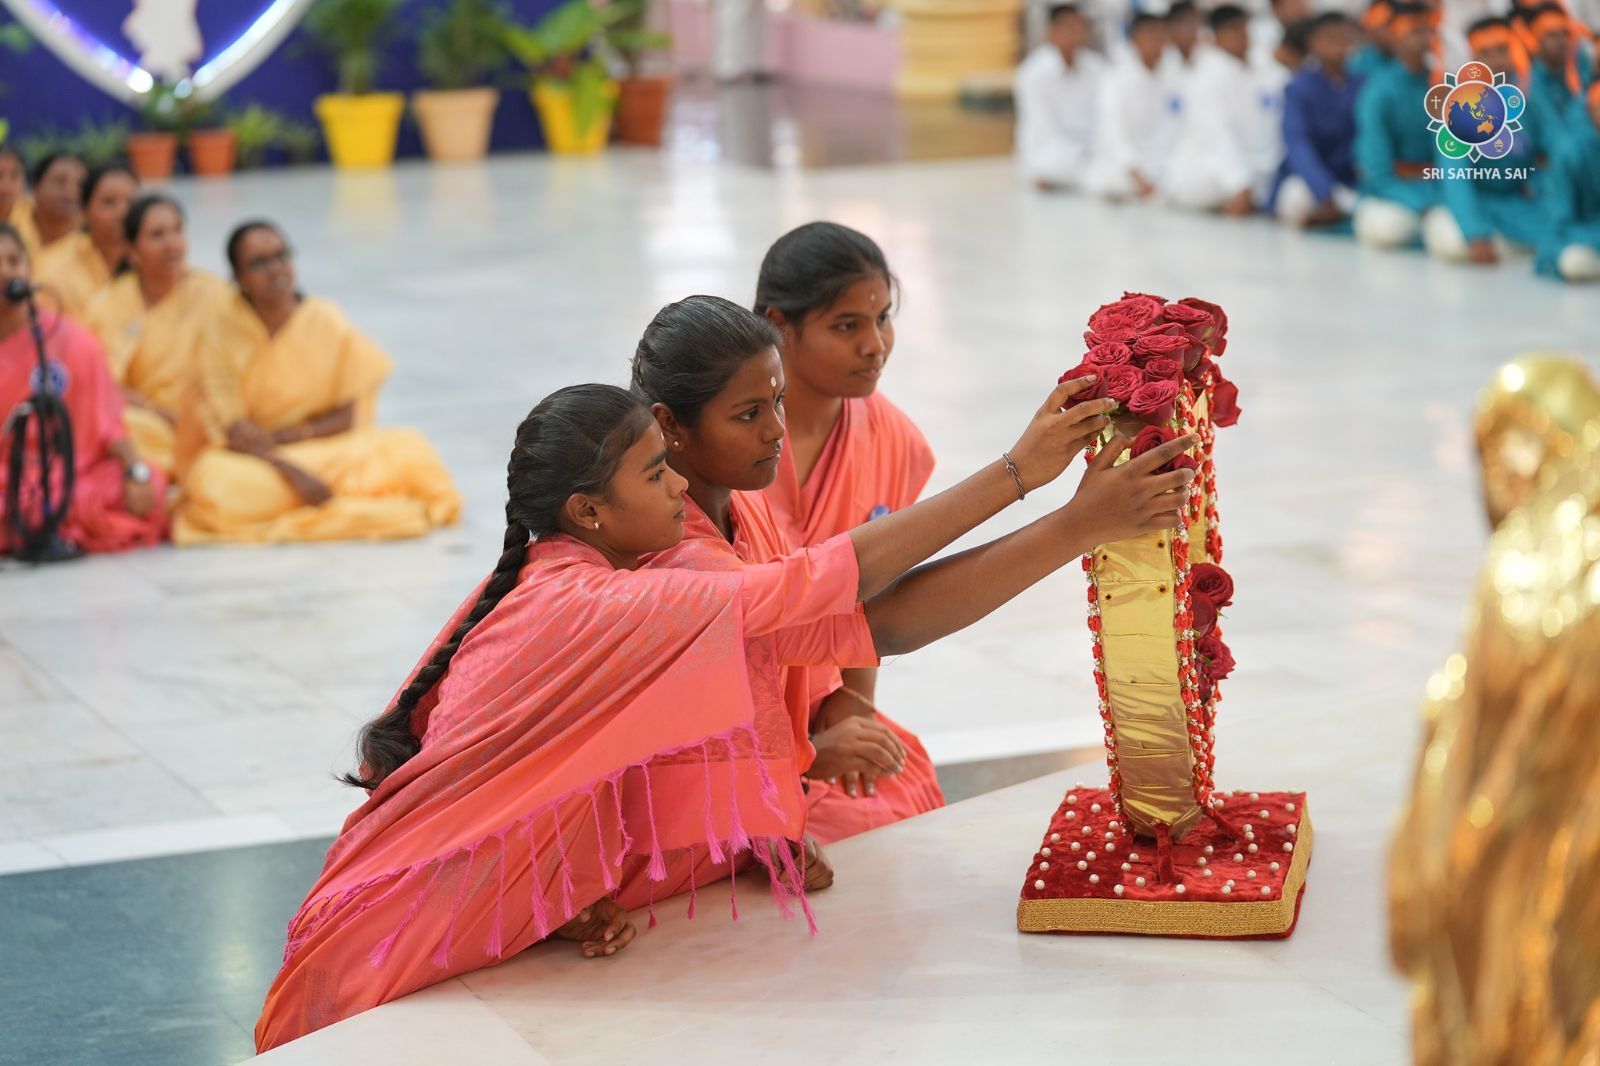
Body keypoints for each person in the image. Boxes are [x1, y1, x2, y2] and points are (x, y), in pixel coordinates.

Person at [255, 375, 1195, 1050]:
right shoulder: (605, 600)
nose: (677, 487)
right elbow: (844, 589)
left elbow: (868, 622)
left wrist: (547, 897)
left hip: (450, 931)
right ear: (588, 511)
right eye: (654, 473)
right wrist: (1027, 480)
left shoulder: (582, 574)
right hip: (384, 960)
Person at [634, 295, 1198, 849]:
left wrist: (1070, 517)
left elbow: (858, 619)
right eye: (749, 414)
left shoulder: (741, 501)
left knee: (905, 780)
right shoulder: (669, 554)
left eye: (778, 402)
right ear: (669, 424)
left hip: (790, 753)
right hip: (691, 829)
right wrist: (1030, 482)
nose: (776, 429)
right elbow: (856, 597)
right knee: (874, 832)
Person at [749, 224, 943, 841]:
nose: (874, 346)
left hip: (819, 703)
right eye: (846, 326)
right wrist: (798, 753)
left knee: (897, 792)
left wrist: (852, 709)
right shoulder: (727, 441)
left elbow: (871, 599)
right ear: (780, 326)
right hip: (724, 722)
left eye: (882, 319)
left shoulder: (895, 441)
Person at [172, 221, 461, 544]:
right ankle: (346, 499)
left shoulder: (324, 319)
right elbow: (234, 433)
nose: (276, 269)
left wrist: (287, 440)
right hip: (255, 462)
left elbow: (348, 417)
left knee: (408, 446)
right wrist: (294, 473)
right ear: (238, 278)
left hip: (322, 452)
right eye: (259, 263)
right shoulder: (220, 330)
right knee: (212, 481)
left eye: (281, 256)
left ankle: (311, 501)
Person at [0, 222, 166, 554]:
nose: (6, 273)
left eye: (14, 261)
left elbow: (108, 426)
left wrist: (135, 470)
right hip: (7, 478)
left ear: (29, 269)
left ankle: (38, 521)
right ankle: (42, 520)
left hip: (72, 474)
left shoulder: (70, 339)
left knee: (148, 483)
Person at [81, 194, 230, 474]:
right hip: (146, 421)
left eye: (177, 230)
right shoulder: (107, 304)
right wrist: (156, 411)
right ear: (131, 250)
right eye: (157, 235)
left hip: (205, 420)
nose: (172, 243)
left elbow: (234, 371)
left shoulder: (216, 294)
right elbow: (101, 382)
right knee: (120, 426)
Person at [1422, 20, 1554, 265]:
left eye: (1502, 50)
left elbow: (1552, 155)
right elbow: (1455, 177)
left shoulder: (1529, 100)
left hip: (1517, 205)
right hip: (1475, 203)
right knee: (1451, 238)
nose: (1496, 60)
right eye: (1486, 53)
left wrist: (1538, 187)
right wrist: (1475, 233)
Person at [1162, 5, 1285, 215]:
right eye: (1233, 30)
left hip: (1259, 166)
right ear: (1215, 37)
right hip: (1211, 166)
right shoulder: (1205, 77)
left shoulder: (1264, 68)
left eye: (1244, 29)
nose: (1241, 36)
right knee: (1211, 185)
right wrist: (1240, 183)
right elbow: (1218, 136)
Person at [1352, 2, 1442, 247]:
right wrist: (1420, 204)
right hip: (1394, 192)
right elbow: (1376, 171)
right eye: (1415, 32)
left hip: (1438, 187)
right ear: (1394, 38)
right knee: (1388, 228)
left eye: (1428, 31)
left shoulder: (1443, 83)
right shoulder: (1378, 90)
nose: (1424, 39)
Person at [1272, 13, 1365, 226]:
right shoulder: (1298, 87)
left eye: (1344, 36)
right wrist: (1323, 191)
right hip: (1311, 179)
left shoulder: (1362, 84)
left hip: (1349, 178)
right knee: (1295, 198)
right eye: (1329, 37)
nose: (1337, 43)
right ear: (1312, 43)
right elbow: (1297, 144)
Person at [1086, 12, 1185, 200]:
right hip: (1128, 166)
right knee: (1108, 180)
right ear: (1134, 39)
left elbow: (1182, 125)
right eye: (1151, 34)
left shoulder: (1176, 74)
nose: (1157, 41)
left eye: (1161, 34)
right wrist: (1135, 173)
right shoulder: (1115, 78)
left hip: (1166, 163)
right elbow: (1113, 133)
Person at [1014, 3, 1106, 192]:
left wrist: (1095, 148)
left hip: (1092, 148)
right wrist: (1079, 153)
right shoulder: (1033, 73)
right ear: (1052, 32)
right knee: (1048, 164)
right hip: (1054, 150)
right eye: (1069, 27)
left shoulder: (1097, 68)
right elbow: (1042, 129)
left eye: (1080, 26)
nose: (1076, 33)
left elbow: (1105, 118)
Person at [34, 161, 138, 319]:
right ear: (84, 211)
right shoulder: (52, 268)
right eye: (109, 202)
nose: (122, 212)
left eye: (131, 203)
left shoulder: (150, 261)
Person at [1536, 81, 1600, 281]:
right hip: (1578, 237)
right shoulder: (1568, 153)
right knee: (1574, 262)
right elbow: (1560, 221)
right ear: (1590, 110)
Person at [19, 152, 87, 257]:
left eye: (80, 185)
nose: (70, 193)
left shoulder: (90, 248)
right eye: (60, 181)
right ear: (35, 187)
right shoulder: (11, 225)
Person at [1162, 0, 1203, 74]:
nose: (1192, 30)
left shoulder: (1210, 56)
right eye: (1186, 24)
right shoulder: (1160, 59)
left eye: (1194, 24)